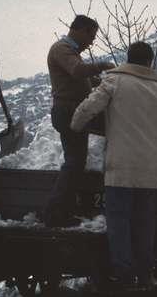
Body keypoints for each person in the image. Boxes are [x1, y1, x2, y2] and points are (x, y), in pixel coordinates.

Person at [71, 41, 157, 288]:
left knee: (119, 220)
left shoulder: (115, 81)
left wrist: (76, 125)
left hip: (121, 168)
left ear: (128, 59)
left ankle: (123, 274)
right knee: (145, 221)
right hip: (150, 171)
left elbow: (88, 107)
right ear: (149, 62)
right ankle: (145, 274)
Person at [44, 15, 115, 227]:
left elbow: (83, 77)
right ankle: (55, 214)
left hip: (72, 110)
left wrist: (103, 82)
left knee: (75, 162)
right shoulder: (62, 49)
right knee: (74, 162)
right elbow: (77, 71)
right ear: (80, 30)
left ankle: (61, 212)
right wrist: (104, 65)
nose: (92, 41)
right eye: (91, 35)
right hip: (67, 111)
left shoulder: (71, 52)